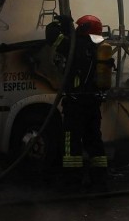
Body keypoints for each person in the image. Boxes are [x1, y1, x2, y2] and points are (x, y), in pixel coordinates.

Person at [45, 14, 110, 190]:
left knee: (71, 142)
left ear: (84, 29)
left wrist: (59, 23)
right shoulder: (99, 47)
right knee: (94, 141)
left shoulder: (76, 46)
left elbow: (52, 37)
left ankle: (72, 181)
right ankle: (100, 180)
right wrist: (69, 29)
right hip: (93, 103)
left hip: (76, 104)